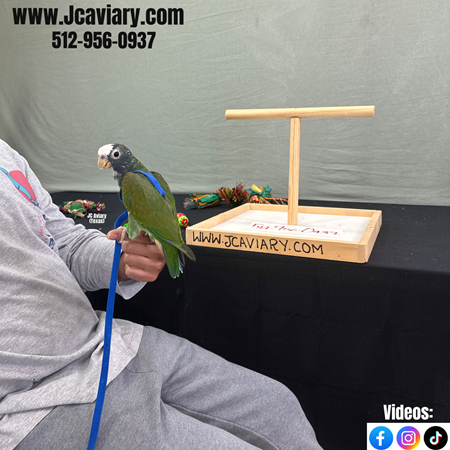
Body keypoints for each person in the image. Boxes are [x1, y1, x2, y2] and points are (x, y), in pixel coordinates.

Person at [0, 139, 323, 450]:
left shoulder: (9, 156)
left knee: (279, 408)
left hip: (106, 343)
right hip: (27, 402)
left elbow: (63, 244)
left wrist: (124, 259)